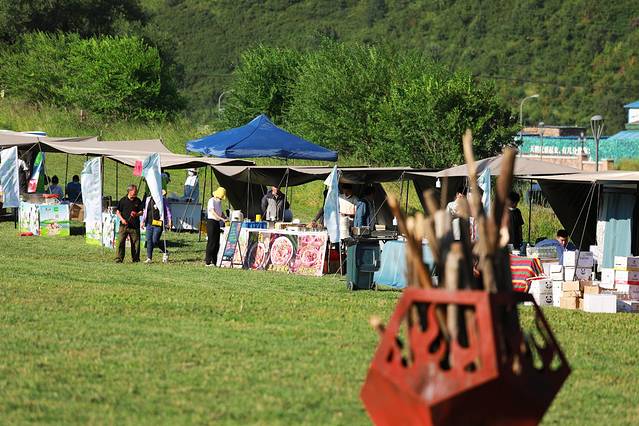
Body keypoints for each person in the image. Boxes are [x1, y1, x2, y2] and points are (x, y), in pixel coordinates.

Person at [141, 190, 173, 264]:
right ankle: (149, 258)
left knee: (155, 240)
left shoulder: (163, 200)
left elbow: (167, 210)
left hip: (159, 223)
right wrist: (142, 221)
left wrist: (169, 220)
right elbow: (146, 210)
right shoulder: (148, 199)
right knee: (149, 240)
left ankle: (165, 251)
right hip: (149, 223)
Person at [115, 184, 144, 263]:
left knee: (136, 243)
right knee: (120, 242)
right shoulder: (123, 200)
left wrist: (136, 214)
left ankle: (135, 259)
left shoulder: (138, 200)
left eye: (136, 191)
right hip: (123, 226)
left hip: (134, 226)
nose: (136, 192)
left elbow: (141, 212)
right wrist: (122, 219)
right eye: (135, 191)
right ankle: (118, 258)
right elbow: (118, 212)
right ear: (129, 191)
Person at [205, 187, 227, 266]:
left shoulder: (219, 202)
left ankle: (214, 261)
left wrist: (225, 217)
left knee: (217, 242)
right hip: (211, 222)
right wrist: (221, 218)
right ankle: (208, 261)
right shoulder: (211, 200)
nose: (221, 199)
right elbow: (212, 211)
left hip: (217, 222)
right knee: (211, 242)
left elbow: (220, 212)